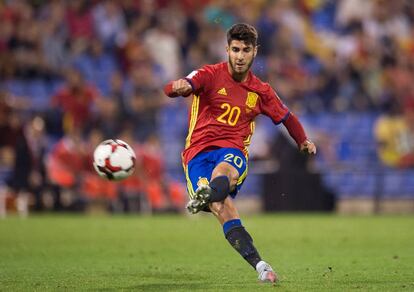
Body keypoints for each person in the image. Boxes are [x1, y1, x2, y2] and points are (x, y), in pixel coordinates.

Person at [163, 23, 316, 284]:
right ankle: (261, 266)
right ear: (227, 49)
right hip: (197, 154)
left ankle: (207, 194)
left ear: (255, 51)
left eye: (246, 50)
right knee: (222, 207)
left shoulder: (261, 91)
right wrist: (179, 87)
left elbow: (287, 117)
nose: (240, 55)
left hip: (232, 151)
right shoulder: (209, 74)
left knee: (224, 174)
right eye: (235, 49)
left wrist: (303, 140)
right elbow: (178, 86)